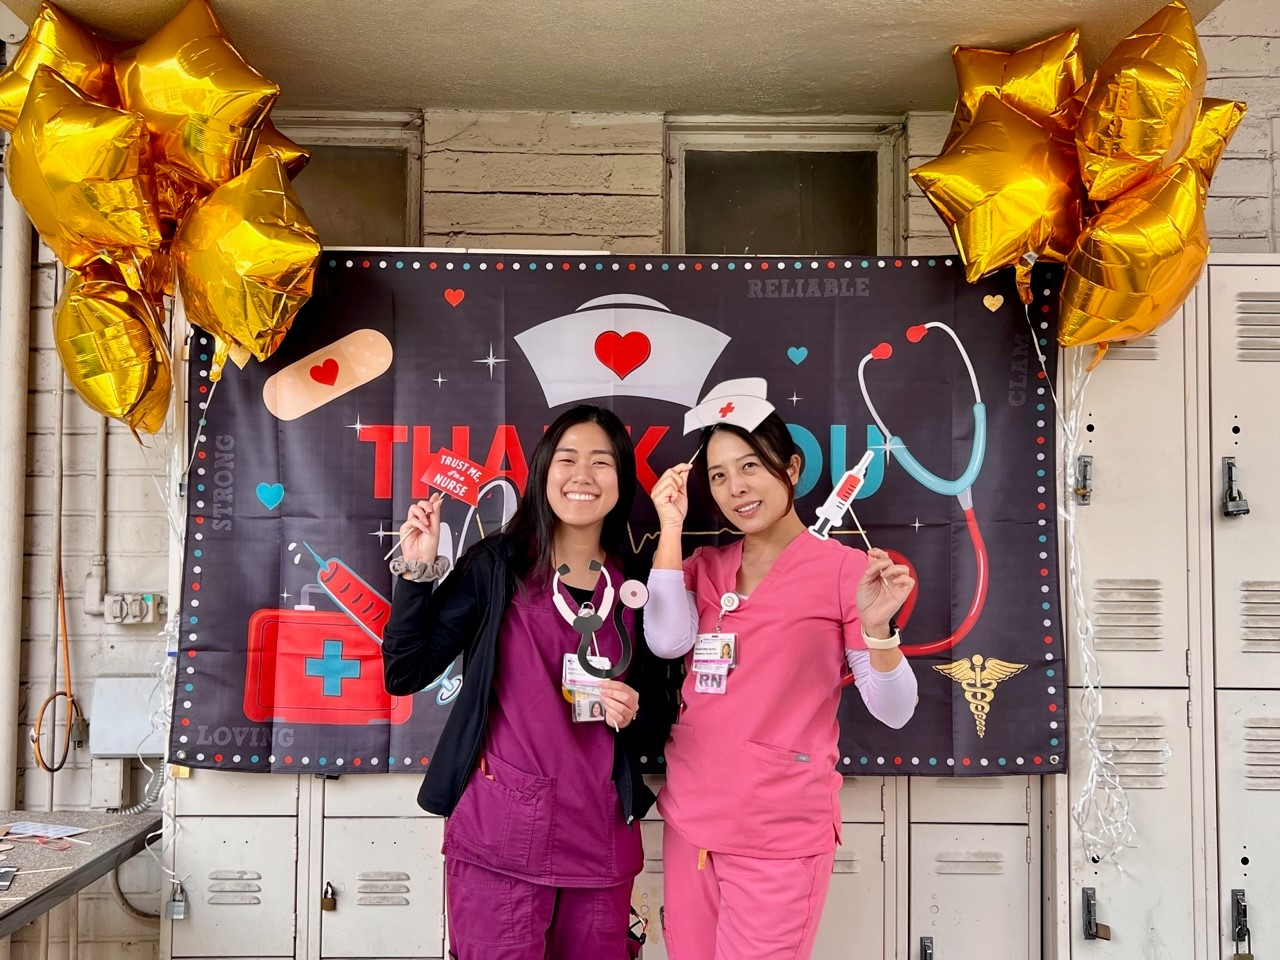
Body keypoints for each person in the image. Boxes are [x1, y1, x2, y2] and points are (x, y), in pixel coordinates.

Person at [382, 404, 675, 960]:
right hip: (502, 835)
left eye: (601, 462)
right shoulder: (498, 565)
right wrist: (418, 572)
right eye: (567, 459)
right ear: (542, 472)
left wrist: (636, 710)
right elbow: (406, 671)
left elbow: (662, 716)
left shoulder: (636, 582)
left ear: (622, 479)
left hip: (601, 839)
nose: (582, 476)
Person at [644, 409, 919, 960]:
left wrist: (877, 628)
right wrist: (670, 529)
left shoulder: (844, 571)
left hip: (777, 832)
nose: (735, 488)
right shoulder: (704, 565)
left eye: (750, 466)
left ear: (790, 468)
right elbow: (667, 641)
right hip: (693, 822)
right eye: (718, 476)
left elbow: (895, 710)